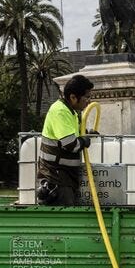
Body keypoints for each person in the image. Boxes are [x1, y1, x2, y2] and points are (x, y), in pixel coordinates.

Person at [37, 75, 94, 205]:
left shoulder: (71, 111)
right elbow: (71, 144)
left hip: (64, 177)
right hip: (56, 177)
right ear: (73, 97)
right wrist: (84, 141)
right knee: (64, 220)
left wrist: (87, 134)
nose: (89, 101)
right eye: (86, 97)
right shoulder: (60, 111)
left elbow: (72, 134)